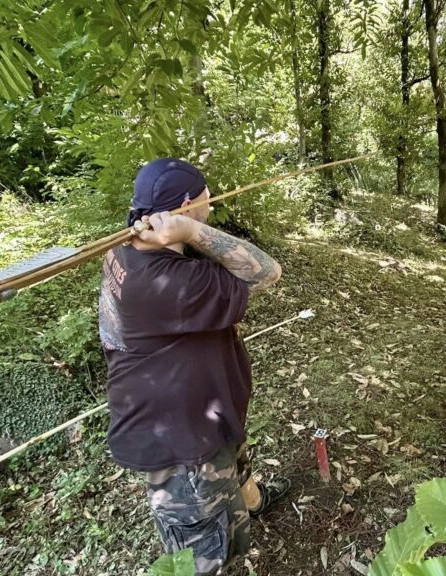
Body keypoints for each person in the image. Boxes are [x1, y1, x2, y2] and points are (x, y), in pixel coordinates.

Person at [98, 158, 290, 575]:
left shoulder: (123, 252)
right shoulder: (173, 283)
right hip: (181, 441)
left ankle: (254, 504)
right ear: (185, 207)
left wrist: (183, 235)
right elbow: (267, 272)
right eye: (206, 198)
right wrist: (192, 231)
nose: (211, 204)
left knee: (235, 467)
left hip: (203, 412)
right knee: (203, 550)